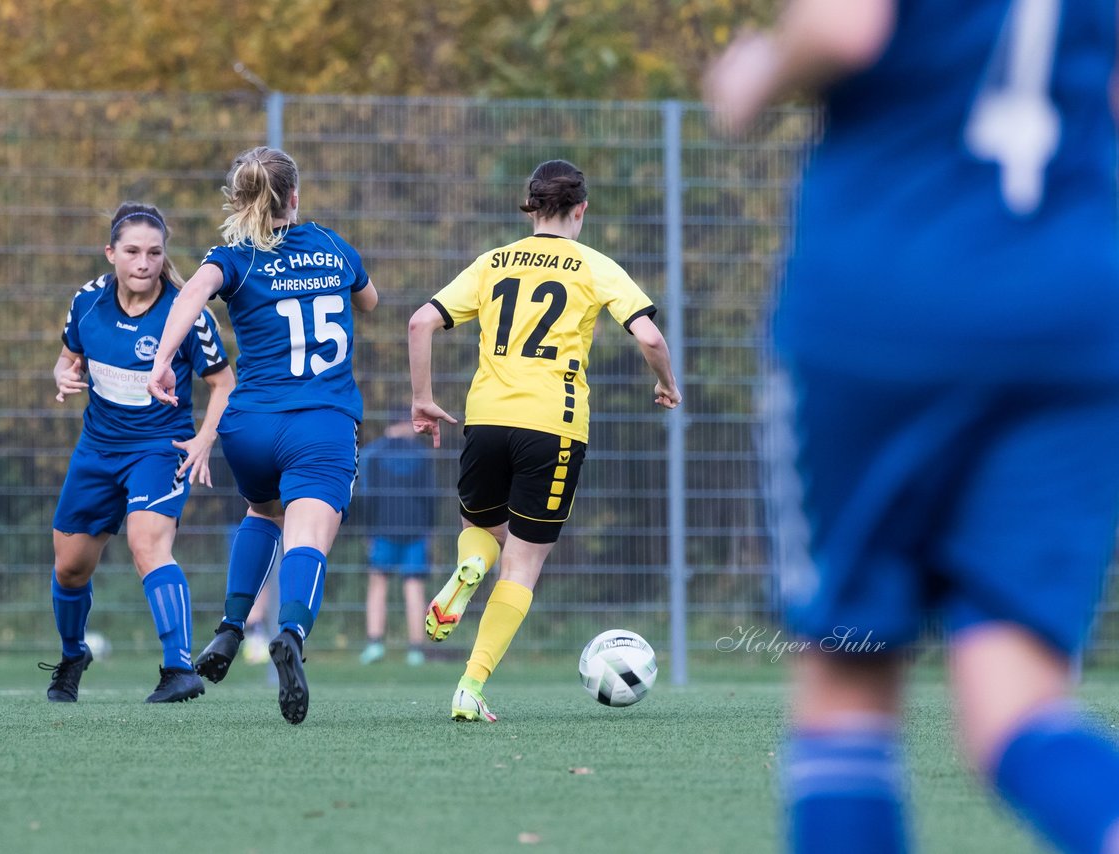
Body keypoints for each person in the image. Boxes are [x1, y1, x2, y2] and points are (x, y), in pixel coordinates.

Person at [705, 1, 1119, 852]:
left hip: (887, 303)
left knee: (848, 681)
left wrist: (755, 75)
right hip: (1071, 316)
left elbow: (845, 26)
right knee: (1019, 699)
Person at [409, 159, 682, 722]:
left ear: (531, 208)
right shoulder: (592, 264)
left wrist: (422, 398)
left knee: (480, 530)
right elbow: (650, 335)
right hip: (553, 428)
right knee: (523, 566)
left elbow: (419, 322)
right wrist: (667, 384)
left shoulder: (493, 261)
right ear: (580, 210)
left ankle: (468, 570)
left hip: (484, 419)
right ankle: (471, 684)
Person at [147, 146, 378, 725]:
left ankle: (229, 628)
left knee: (261, 511)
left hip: (248, 426)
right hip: (321, 422)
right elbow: (370, 302)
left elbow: (193, 294)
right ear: (295, 197)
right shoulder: (332, 246)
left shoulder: (234, 258)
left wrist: (163, 359)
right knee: (306, 537)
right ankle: (291, 634)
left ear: (241, 200)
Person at [44, 201, 233, 704]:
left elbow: (224, 384)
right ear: (111, 254)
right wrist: (62, 374)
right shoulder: (86, 301)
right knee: (70, 568)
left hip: (157, 448)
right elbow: (67, 361)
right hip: (97, 451)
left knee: (148, 545)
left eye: (153, 251)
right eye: (131, 251)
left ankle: (178, 670)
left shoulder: (185, 313)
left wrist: (204, 438)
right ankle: (72, 655)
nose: (143, 262)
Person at [357, 419, 436, 667]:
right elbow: (431, 496)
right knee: (414, 587)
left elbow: (367, 494)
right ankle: (416, 650)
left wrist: (368, 530)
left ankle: (374, 644)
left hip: (382, 528)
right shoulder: (422, 455)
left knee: (378, 584)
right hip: (416, 530)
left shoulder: (374, 453)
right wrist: (429, 531)